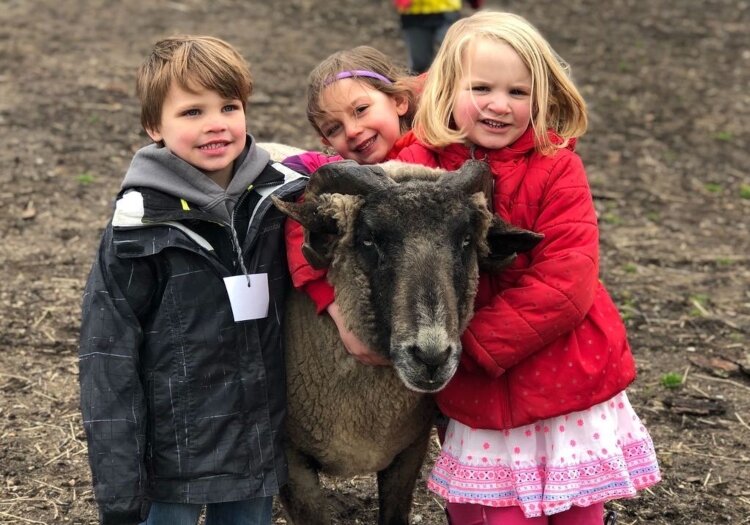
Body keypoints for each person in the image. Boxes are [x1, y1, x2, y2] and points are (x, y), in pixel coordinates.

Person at [396, 11, 661, 524]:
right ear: (448, 89)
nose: (500, 104)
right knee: (491, 510)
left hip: (560, 373)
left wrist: (475, 344)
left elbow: (568, 279)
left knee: (577, 509)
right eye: (481, 88)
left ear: (541, 97)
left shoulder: (556, 166)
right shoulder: (422, 165)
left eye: (519, 92)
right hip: (478, 386)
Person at [78, 35, 306, 525]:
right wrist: (119, 487)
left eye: (229, 105)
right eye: (192, 112)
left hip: (255, 444)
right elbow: (107, 355)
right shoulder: (137, 230)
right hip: (171, 457)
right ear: (152, 126)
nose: (216, 124)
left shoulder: (280, 201)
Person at [282, 45, 420, 365]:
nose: (353, 131)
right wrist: (333, 307)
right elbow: (299, 231)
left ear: (399, 101)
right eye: (334, 129)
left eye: (360, 110)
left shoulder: (436, 160)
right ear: (326, 142)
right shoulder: (340, 180)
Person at [392, 0, 482, 74]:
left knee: (451, 56)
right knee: (419, 63)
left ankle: (452, 88)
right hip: (414, 14)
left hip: (446, 11)